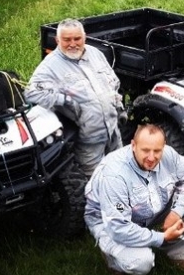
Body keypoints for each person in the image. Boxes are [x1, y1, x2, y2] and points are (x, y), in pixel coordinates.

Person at [84, 123, 184, 275]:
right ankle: (113, 259)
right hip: (111, 222)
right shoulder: (115, 175)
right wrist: (161, 238)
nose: (151, 157)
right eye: (145, 150)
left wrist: (176, 212)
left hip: (146, 207)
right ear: (133, 145)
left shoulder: (168, 155)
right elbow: (118, 228)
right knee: (141, 262)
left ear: (163, 146)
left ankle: (176, 256)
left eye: (157, 151)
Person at [25, 18, 124, 177]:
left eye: (77, 39)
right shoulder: (50, 65)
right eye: (67, 40)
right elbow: (31, 93)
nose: (73, 44)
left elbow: (113, 82)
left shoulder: (95, 53)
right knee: (96, 182)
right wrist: (64, 101)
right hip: (88, 139)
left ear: (84, 37)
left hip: (113, 131)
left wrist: (119, 107)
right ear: (57, 40)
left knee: (121, 173)